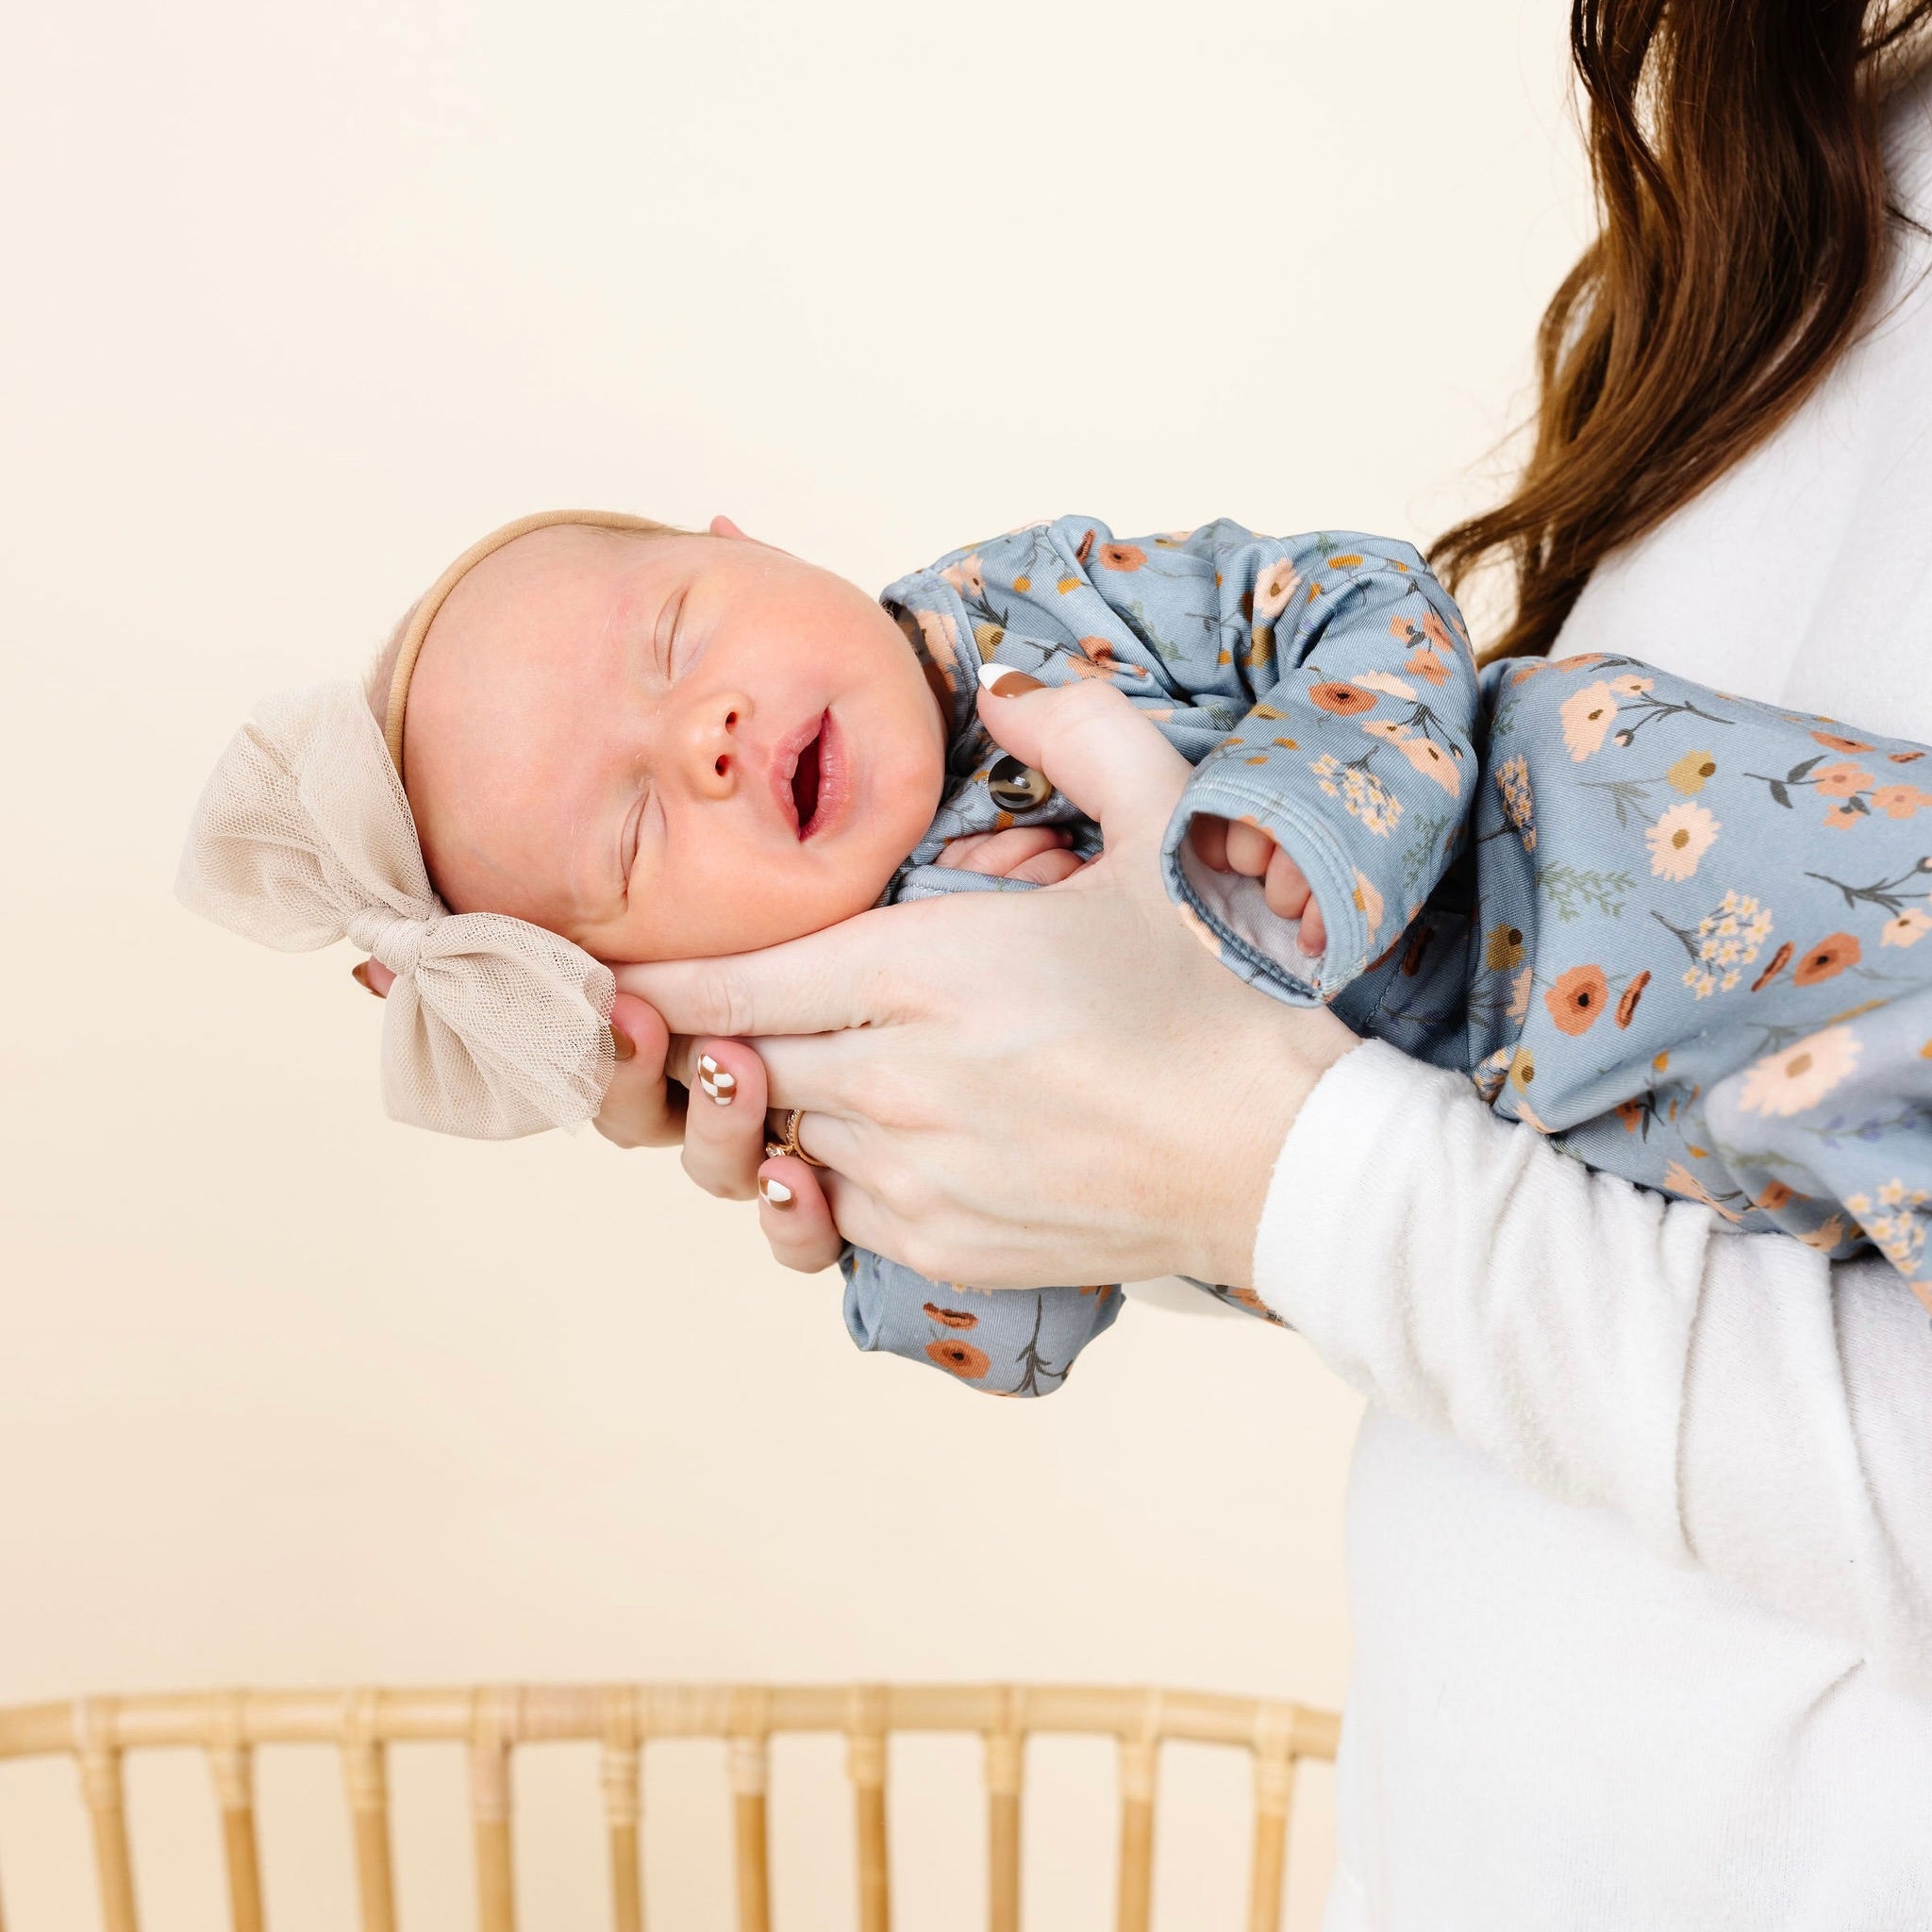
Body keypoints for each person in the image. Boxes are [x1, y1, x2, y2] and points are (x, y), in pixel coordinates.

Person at [589, 8, 1932, 1924]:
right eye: (619, 840)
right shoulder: (1791, 181)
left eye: (667, 646)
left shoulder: (1053, 624)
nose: (697, 747)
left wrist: (1258, 1149)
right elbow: (1572, 1140)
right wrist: (981, 1146)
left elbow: (1351, 704)